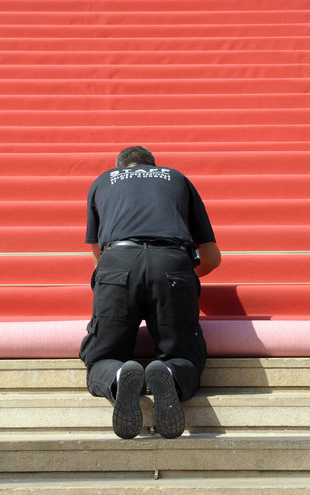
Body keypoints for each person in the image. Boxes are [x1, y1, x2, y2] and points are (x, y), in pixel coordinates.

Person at [80, 146, 221, 440]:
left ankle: (119, 376)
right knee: (185, 355)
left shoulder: (103, 180)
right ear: (154, 165)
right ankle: (168, 373)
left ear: (120, 167)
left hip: (117, 263)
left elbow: (98, 254)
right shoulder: (178, 179)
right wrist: (181, 278)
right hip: (172, 262)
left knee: (101, 356)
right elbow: (212, 257)